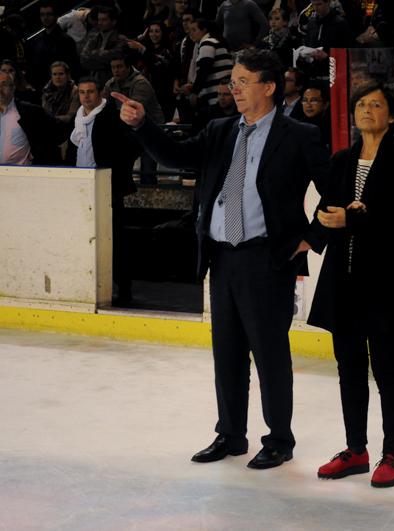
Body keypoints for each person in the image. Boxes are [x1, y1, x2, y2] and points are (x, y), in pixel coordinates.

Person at [114, 48, 329, 470]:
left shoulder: (299, 135)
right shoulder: (220, 129)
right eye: (232, 80)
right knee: (227, 353)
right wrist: (143, 125)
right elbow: (175, 157)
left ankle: (279, 440)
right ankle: (230, 435)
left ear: (269, 87)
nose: (234, 88)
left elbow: (336, 192)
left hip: (267, 260)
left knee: (269, 355)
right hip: (221, 258)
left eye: (243, 81)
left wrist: (311, 239)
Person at [308, 81, 394, 488]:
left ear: (391, 116)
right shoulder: (341, 159)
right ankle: (356, 449)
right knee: (349, 367)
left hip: (384, 282)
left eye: (376, 105)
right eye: (361, 104)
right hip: (344, 279)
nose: (366, 110)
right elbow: (327, 208)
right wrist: (321, 225)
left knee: (388, 368)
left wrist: (353, 217)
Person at [67, 76, 141, 303]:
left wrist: (114, 174)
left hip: (108, 188)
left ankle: (123, 288)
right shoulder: (78, 118)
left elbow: (131, 146)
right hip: (82, 188)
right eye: (82, 92)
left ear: (99, 93)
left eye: (90, 92)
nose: (86, 96)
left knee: (115, 240)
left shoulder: (111, 115)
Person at [0, 70, 67, 166]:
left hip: (23, 173)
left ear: (13, 88)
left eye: (4, 84)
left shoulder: (30, 111)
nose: (0, 89)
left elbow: (60, 132)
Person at [25, 2, 80, 90]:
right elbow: (32, 65)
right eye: (42, 15)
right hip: (40, 87)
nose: (45, 18)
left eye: (49, 14)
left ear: (56, 16)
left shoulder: (66, 40)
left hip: (61, 88)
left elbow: (73, 67)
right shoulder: (36, 41)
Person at [300, 81, 331, 152]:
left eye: (314, 100)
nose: (308, 105)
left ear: (325, 104)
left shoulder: (330, 127)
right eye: (305, 100)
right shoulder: (296, 125)